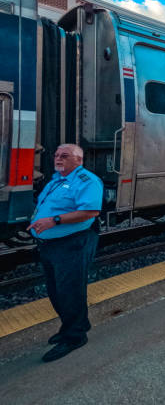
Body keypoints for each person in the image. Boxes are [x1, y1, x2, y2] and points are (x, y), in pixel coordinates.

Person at [27, 144, 103, 363]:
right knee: (55, 290)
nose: (58, 158)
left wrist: (53, 220)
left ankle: (75, 336)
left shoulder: (87, 181)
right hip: (50, 244)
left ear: (78, 160)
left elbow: (90, 211)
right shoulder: (56, 179)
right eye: (57, 154)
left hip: (72, 243)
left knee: (70, 290)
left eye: (65, 155)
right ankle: (72, 325)